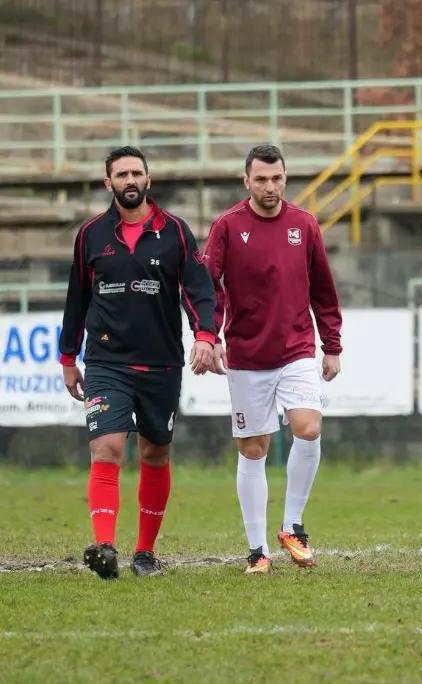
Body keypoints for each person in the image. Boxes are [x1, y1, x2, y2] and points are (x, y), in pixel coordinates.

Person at [58, 145, 219, 580]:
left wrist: (205, 335)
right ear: (108, 183)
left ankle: (144, 553)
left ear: (148, 180)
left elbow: (199, 291)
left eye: (137, 173)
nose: (131, 180)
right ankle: (105, 546)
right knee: (107, 448)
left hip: (161, 363)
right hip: (107, 361)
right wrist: (68, 357)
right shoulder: (90, 235)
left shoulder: (176, 232)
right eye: (122, 174)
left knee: (155, 454)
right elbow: (77, 299)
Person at [201, 144, 344, 576]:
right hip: (246, 355)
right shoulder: (227, 226)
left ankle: (292, 526)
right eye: (261, 179)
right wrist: (210, 336)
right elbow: (210, 287)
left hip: (297, 348)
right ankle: (257, 550)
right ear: (246, 181)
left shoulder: (304, 224)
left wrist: (331, 344)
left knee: (309, 427)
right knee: (253, 449)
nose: (270, 186)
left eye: (277, 178)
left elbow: (323, 288)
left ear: (286, 178)